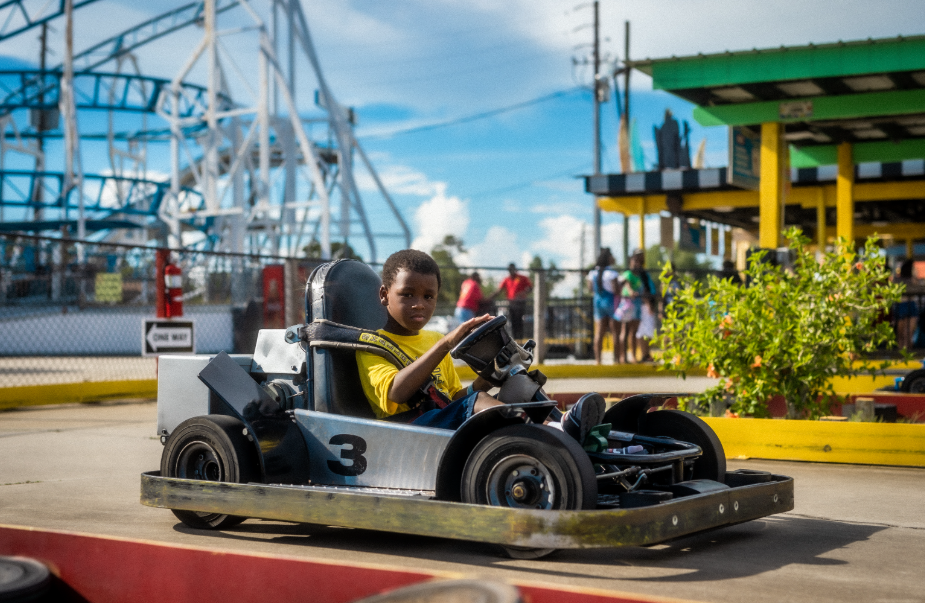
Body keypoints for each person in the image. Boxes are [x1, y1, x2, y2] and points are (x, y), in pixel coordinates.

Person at [356, 249, 603, 435]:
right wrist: (445, 345)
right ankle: (554, 432)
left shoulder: (431, 337)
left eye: (428, 296)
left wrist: (483, 380)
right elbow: (396, 393)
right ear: (384, 295)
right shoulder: (373, 345)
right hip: (406, 430)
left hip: (440, 418)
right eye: (407, 294)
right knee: (478, 403)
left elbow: (452, 399)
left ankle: (581, 434)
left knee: (518, 384)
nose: (419, 303)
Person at [585, 248, 619, 365]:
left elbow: (590, 288)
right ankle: (616, 359)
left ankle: (598, 360)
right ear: (608, 258)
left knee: (599, 333)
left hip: (598, 302)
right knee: (615, 332)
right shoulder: (612, 274)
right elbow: (616, 290)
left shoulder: (593, 273)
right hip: (611, 302)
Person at [491, 263, 532, 339]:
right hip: (511, 303)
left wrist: (522, 293)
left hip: (520, 303)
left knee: (519, 321)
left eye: (512, 270)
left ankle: (520, 339)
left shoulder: (522, 277)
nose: (511, 271)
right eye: (509, 270)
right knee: (513, 321)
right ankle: (515, 339)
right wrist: (490, 297)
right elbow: (499, 290)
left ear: (515, 269)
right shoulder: (506, 279)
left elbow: (530, 288)